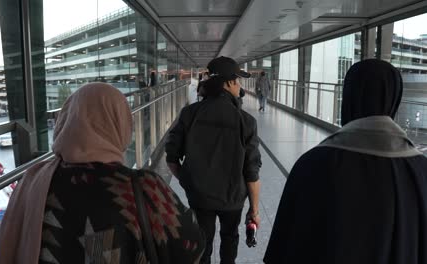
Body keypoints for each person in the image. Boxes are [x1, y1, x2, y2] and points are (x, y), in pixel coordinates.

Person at [0, 83, 205, 264]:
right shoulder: (143, 188)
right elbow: (191, 244)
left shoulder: (33, 180)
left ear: (65, 121)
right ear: (120, 124)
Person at [263, 59, 427, 264]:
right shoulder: (420, 170)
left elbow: (285, 246)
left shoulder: (313, 164)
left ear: (349, 96)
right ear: (395, 99)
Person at [166, 56, 262, 264]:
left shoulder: (189, 114)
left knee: (203, 243)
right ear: (227, 83)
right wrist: (254, 211)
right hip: (233, 198)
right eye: (237, 80)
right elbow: (251, 171)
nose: (239, 86)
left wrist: (187, 181)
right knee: (230, 237)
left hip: (200, 197)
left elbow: (171, 157)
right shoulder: (246, 121)